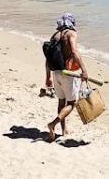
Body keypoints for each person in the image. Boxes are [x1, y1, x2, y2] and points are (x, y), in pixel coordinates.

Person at [44, 13, 89, 142]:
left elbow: (48, 57)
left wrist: (48, 77)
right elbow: (74, 52)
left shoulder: (55, 36)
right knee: (71, 103)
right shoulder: (71, 34)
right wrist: (84, 71)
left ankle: (64, 130)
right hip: (69, 74)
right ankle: (53, 124)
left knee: (61, 102)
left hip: (56, 72)